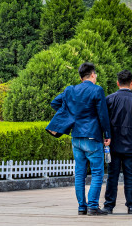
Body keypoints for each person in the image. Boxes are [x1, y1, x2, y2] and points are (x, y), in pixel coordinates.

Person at [47, 62, 111, 216]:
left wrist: (71, 115)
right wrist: (107, 135)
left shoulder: (71, 90)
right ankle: (93, 207)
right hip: (92, 136)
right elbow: (103, 115)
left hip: (76, 137)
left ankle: (82, 207)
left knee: (80, 173)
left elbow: (55, 102)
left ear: (80, 76)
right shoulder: (97, 90)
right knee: (97, 173)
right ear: (93, 75)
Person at [103, 70, 132, 215]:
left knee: (112, 175)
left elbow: (103, 120)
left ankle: (109, 206)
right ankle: (131, 206)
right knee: (130, 175)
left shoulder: (109, 99)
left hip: (113, 143)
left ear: (118, 83)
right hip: (131, 143)